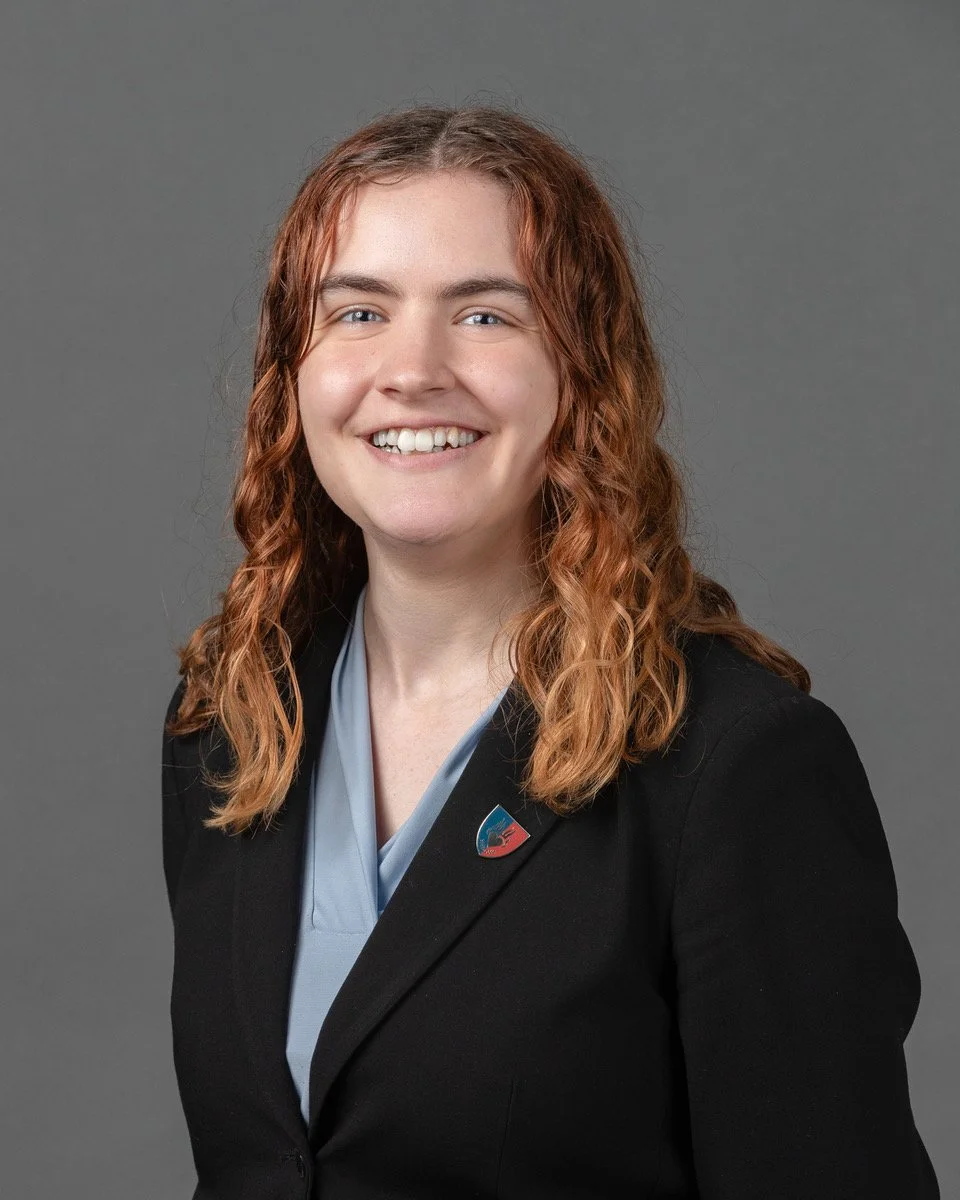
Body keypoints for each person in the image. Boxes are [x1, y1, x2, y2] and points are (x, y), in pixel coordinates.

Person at [161, 103, 940, 1199]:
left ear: (585, 373)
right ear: (293, 374)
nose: (412, 369)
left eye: (485, 316)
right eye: (358, 313)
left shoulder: (737, 767)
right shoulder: (234, 729)